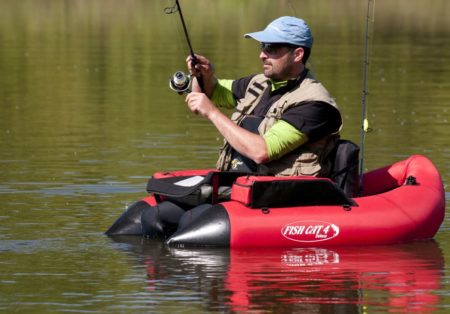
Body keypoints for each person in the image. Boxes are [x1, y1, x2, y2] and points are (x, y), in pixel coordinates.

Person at [185, 16, 342, 177]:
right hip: (237, 187)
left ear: (298, 54)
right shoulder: (257, 83)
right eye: (263, 46)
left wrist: (212, 113)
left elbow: (261, 151)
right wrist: (203, 75)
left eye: (271, 48)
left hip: (278, 197)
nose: (262, 55)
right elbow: (210, 92)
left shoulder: (315, 104)